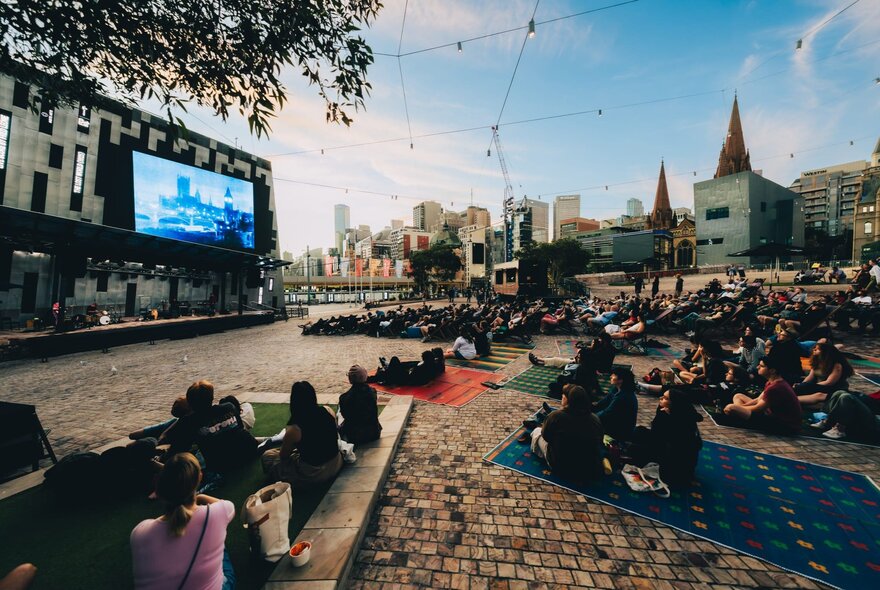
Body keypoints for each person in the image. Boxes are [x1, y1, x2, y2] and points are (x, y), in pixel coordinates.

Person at [131, 452, 236, 590]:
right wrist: (201, 497)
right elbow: (227, 505)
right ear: (199, 478)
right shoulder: (217, 513)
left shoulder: (139, 532)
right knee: (220, 540)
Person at [164, 381, 258, 473]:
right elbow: (240, 428)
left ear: (190, 403)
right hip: (248, 453)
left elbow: (178, 450)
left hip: (222, 467)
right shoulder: (229, 407)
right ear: (212, 397)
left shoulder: (189, 422)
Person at [261, 381, 342, 487]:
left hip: (315, 473)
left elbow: (283, 456)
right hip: (336, 462)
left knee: (267, 457)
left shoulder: (294, 428)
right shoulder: (328, 410)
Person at [520, 385, 604, 483]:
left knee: (536, 431)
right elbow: (600, 441)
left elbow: (546, 437)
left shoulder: (556, 416)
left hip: (561, 465)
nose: (561, 398)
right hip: (589, 466)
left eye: (563, 396)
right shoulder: (594, 418)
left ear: (568, 400)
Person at [629, 389, 703, 487]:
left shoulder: (684, 419)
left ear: (674, 403)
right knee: (639, 431)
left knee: (634, 450)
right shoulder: (666, 409)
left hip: (675, 457)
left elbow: (662, 439)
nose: (661, 399)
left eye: (665, 398)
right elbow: (655, 430)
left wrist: (668, 416)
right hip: (664, 444)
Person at [722, 356, 801, 435]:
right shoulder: (771, 382)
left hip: (784, 425)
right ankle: (740, 417)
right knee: (738, 396)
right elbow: (757, 400)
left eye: (762, 366)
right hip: (770, 414)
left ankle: (740, 418)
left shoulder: (776, 387)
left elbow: (758, 408)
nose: (757, 367)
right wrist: (742, 407)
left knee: (730, 408)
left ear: (772, 370)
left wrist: (739, 408)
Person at [793, 342, 853, 406]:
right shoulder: (817, 361)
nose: (814, 350)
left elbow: (829, 382)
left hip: (831, 388)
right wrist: (802, 384)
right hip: (818, 385)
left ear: (825, 352)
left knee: (805, 388)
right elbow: (810, 377)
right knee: (797, 385)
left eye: (818, 349)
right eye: (814, 348)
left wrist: (810, 386)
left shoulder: (836, 365)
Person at [812, 390, 880, 442]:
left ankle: (840, 429)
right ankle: (828, 421)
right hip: (871, 412)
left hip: (875, 423)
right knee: (839, 392)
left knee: (846, 397)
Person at [339, 365, 382, 444]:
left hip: (355, 436)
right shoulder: (372, 392)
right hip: (374, 433)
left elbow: (345, 415)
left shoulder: (344, 398)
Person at [594, 366, 638, 441]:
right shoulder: (616, 389)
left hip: (620, 432)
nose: (611, 376)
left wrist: (591, 417)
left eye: (614, 375)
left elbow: (607, 413)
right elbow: (602, 403)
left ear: (621, 380)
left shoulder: (623, 396)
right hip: (616, 424)